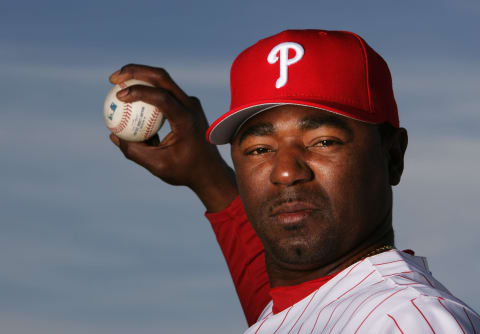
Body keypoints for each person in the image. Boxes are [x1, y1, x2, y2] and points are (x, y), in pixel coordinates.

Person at [108, 30, 479, 333]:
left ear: (393, 157)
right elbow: (293, 307)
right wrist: (208, 178)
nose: (285, 171)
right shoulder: (315, 307)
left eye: (323, 142)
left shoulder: (404, 321)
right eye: (258, 149)